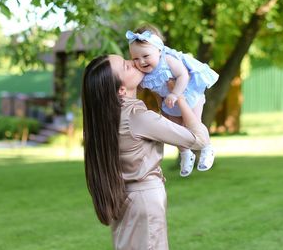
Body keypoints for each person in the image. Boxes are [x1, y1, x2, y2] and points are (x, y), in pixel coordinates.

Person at [82, 54, 210, 250]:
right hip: (144, 201)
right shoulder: (138, 118)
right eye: (127, 66)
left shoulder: (105, 119)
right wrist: (183, 98)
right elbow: (200, 140)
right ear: (121, 90)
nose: (134, 63)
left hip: (124, 197)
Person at [126, 26, 218, 177]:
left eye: (145, 56)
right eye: (135, 58)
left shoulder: (167, 60)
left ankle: (207, 149)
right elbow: (152, 91)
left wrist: (175, 94)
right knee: (176, 130)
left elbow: (183, 76)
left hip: (189, 96)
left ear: (159, 51)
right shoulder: (144, 73)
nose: (141, 61)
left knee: (194, 123)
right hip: (170, 103)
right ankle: (185, 154)